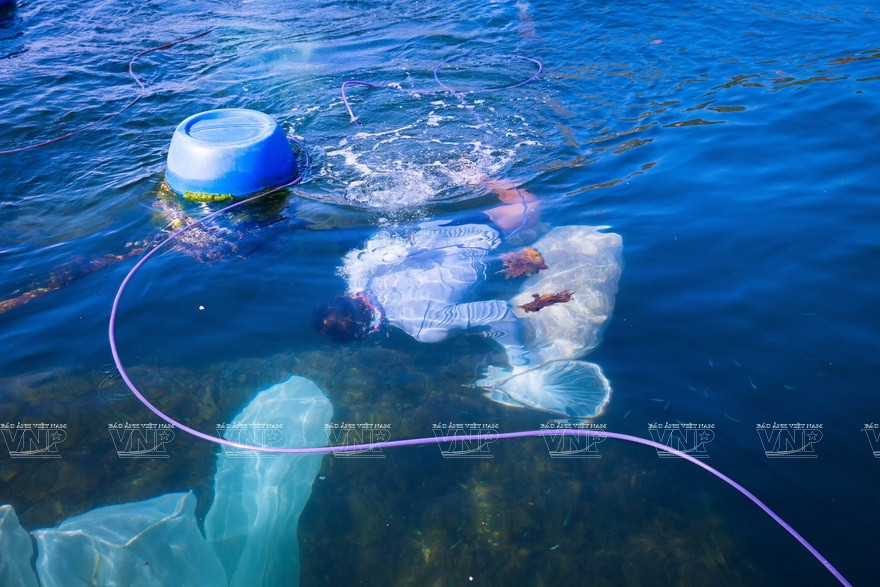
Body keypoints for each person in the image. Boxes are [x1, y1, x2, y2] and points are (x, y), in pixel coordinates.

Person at [314, 179, 615, 419]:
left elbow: (498, 312)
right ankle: (474, 178)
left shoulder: (424, 328)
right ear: (348, 298)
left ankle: (484, 178)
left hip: (478, 235)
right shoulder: (362, 276)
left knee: (532, 204)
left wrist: (520, 360)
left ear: (368, 334)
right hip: (433, 229)